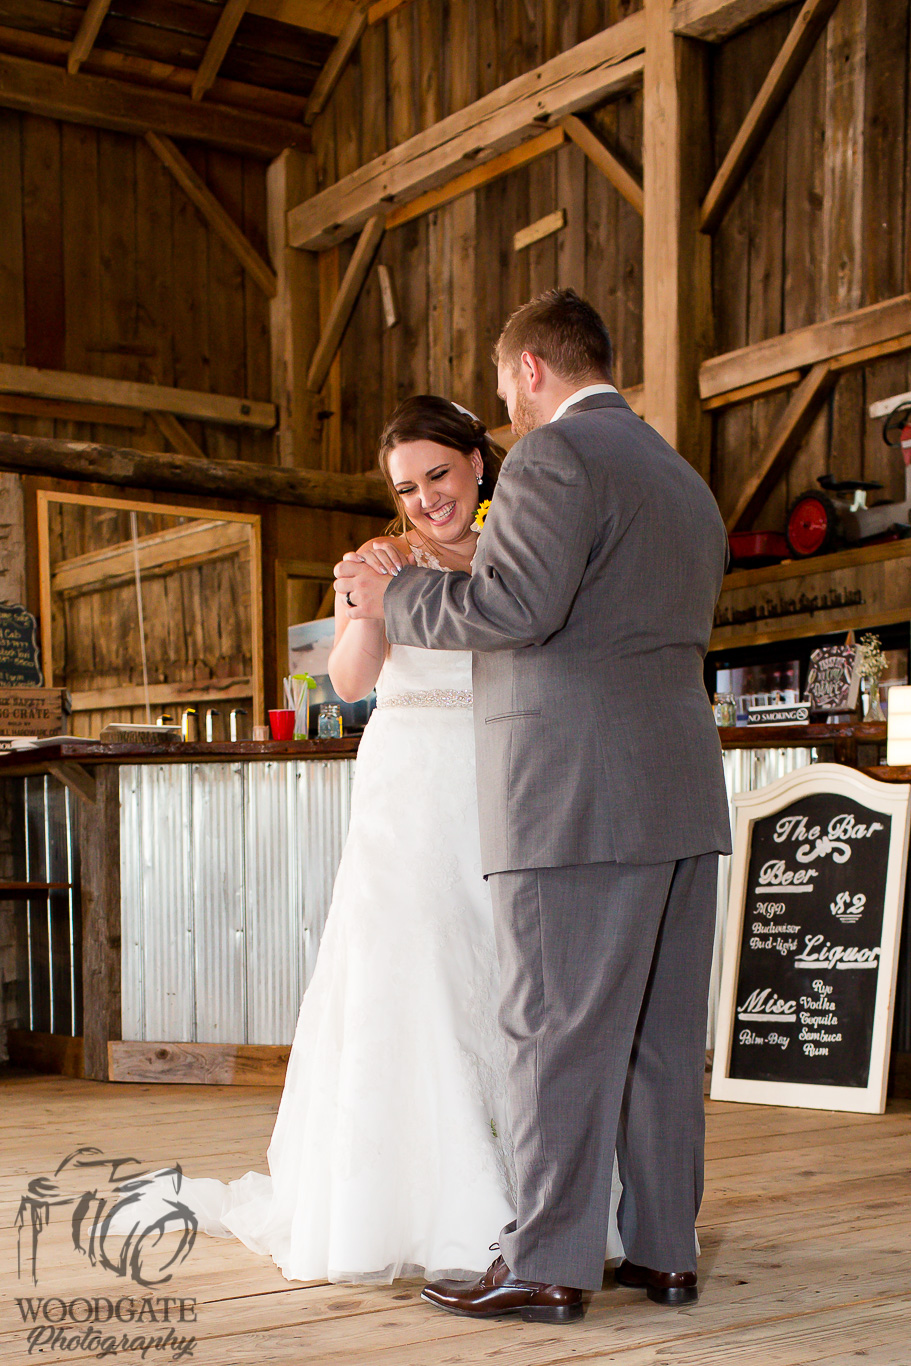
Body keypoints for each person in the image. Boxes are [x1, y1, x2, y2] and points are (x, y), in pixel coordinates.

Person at [108, 394, 624, 1286]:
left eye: (439, 475)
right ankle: (415, 1201)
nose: (427, 500)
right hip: (409, 787)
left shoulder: (523, 549)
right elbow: (349, 682)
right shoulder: (383, 560)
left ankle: (533, 1193)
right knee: (409, 974)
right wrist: (363, 603)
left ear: (476, 462)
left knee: (511, 980)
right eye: (407, 486)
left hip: (509, 777)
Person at [335, 288, 732, 1324]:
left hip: (572, 794)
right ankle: (662, 1249)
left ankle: (548, 1259)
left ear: (525, 370)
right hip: (679, 791)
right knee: (656, 1036)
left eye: (503, 387)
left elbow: (517, 609)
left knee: (553, 1028)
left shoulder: (557, 456)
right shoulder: (679, 474)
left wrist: (394, 599)